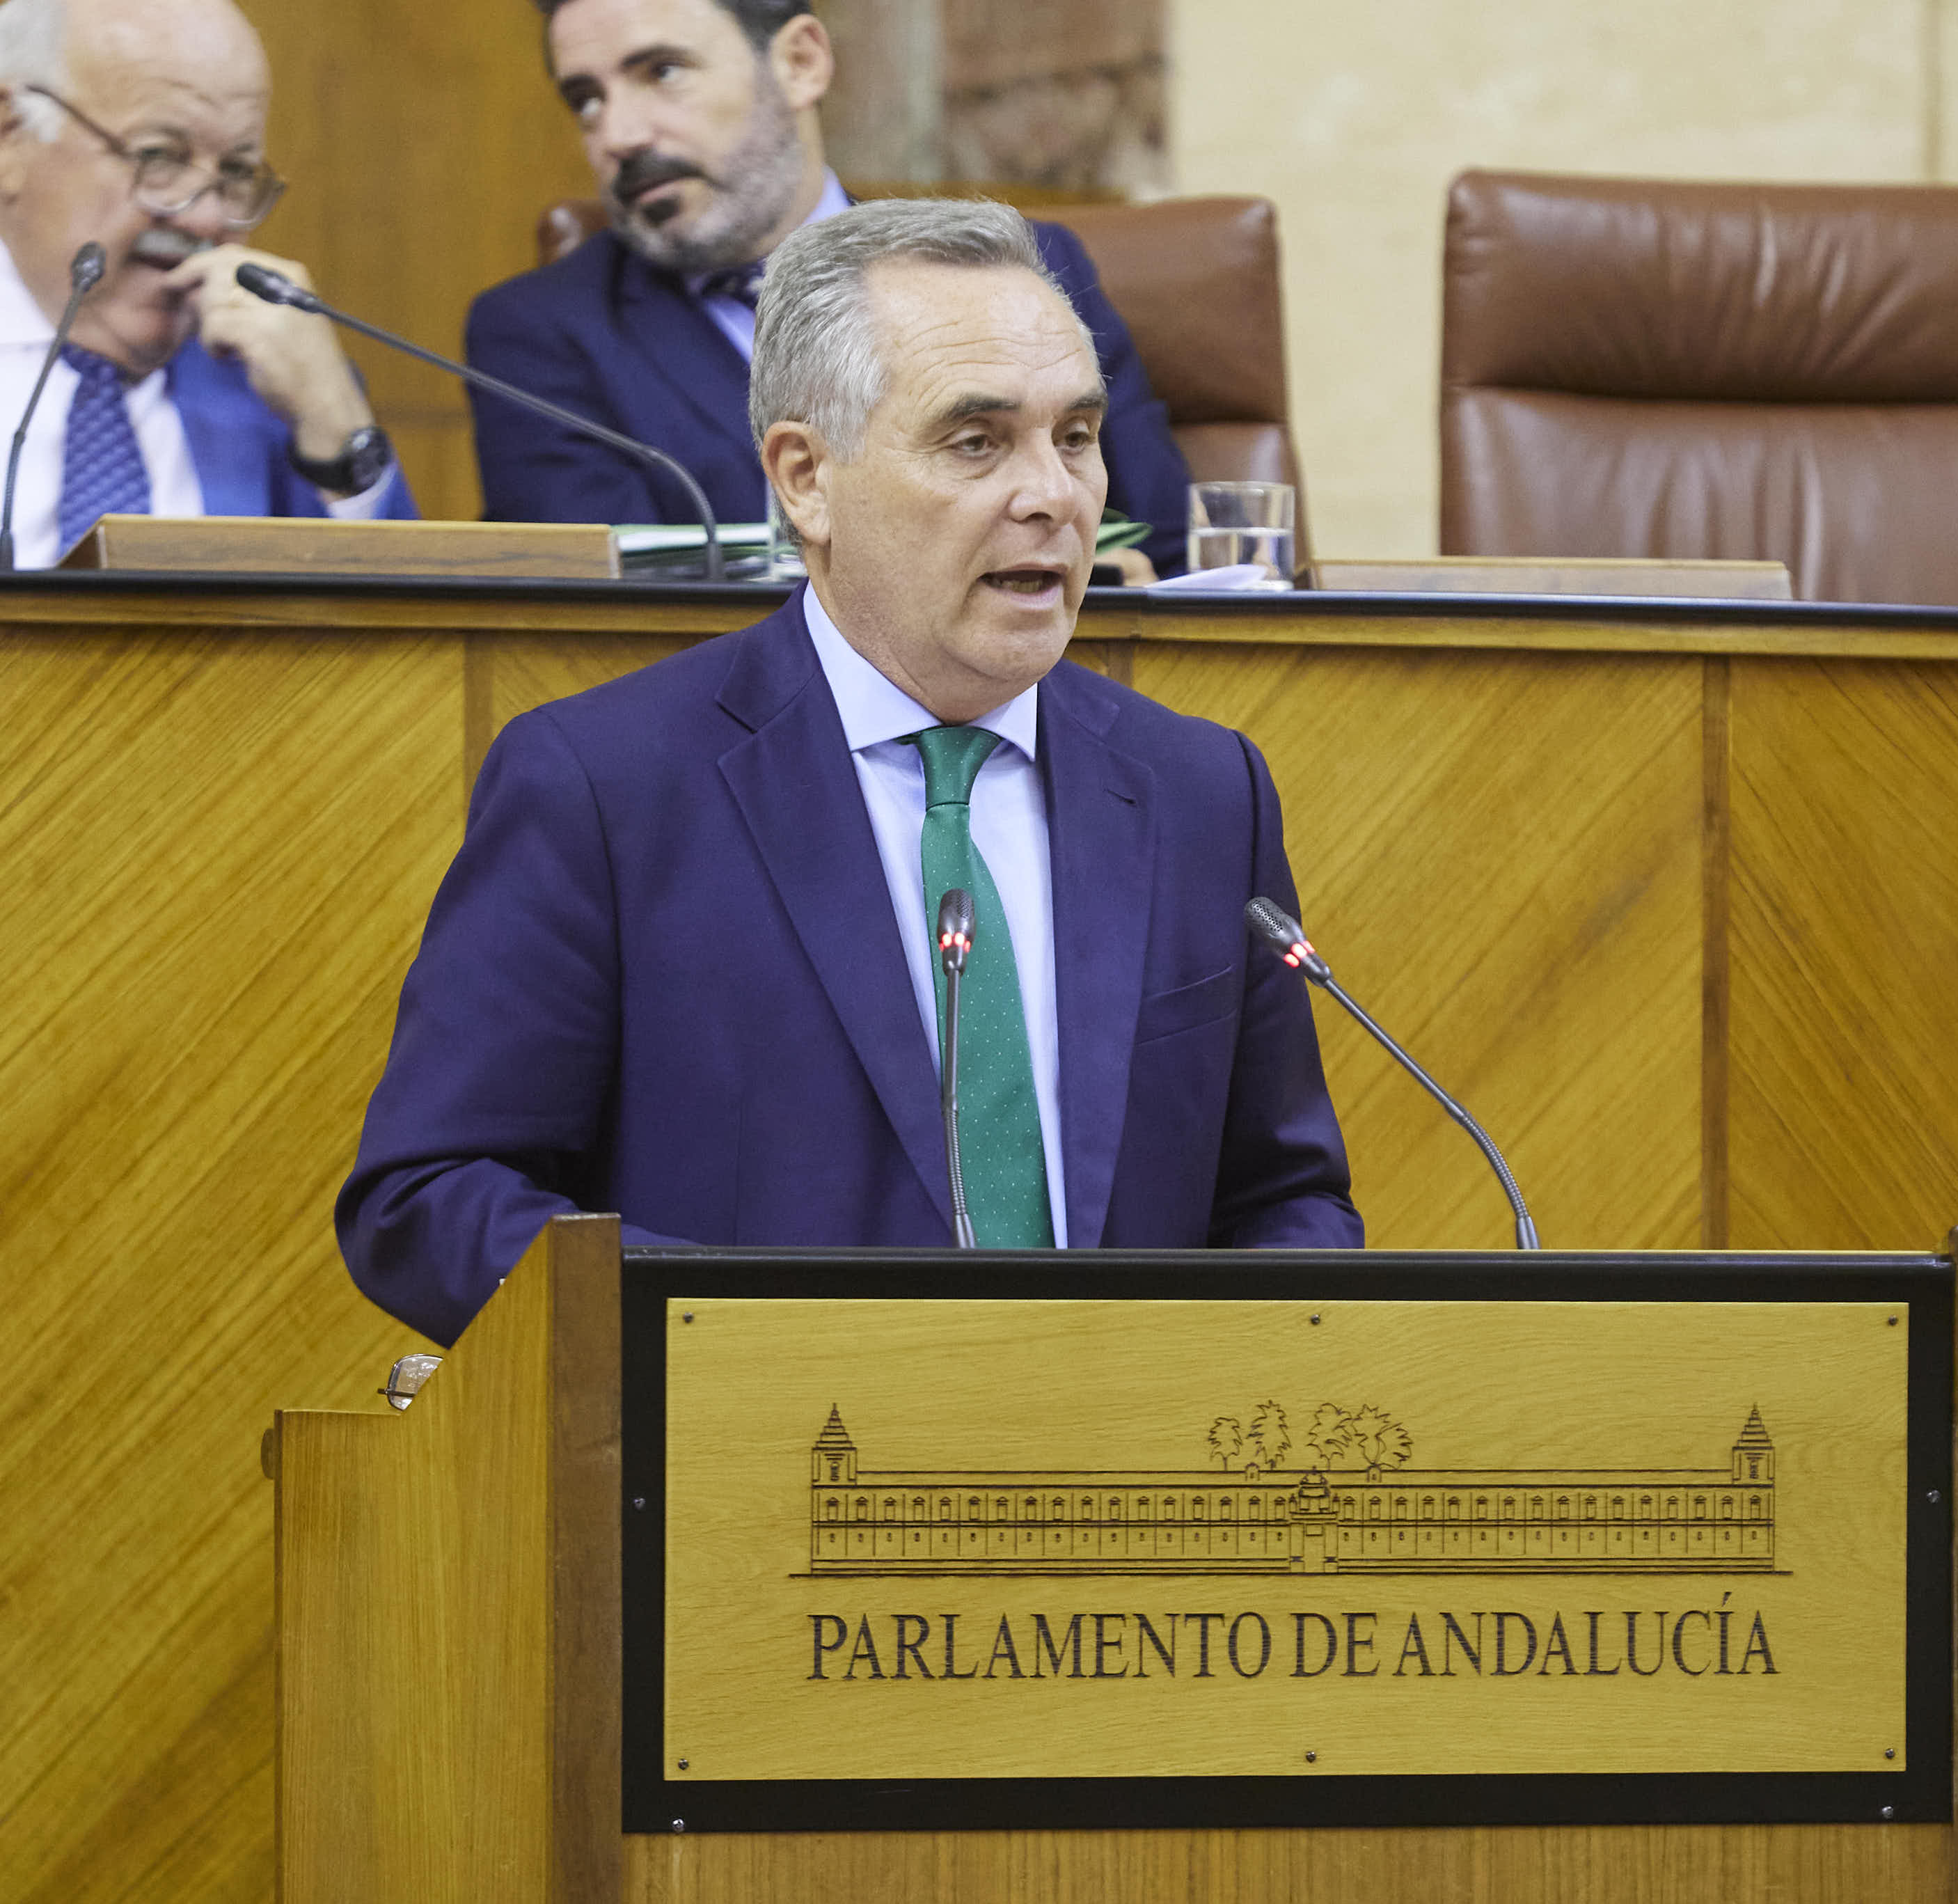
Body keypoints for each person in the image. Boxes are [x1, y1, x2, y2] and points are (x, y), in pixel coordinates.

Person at [342, 198, 1359, 1348]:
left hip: (1113, 1488)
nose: (1055, 498)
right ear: (804, 479)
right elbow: (427, 1202)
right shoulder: (606, 788)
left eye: (1074, 437)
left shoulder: (1200, 791)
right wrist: (734, 1342)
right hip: (751, 1484)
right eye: (976, 443)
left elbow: (1285, 1200)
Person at [464, 0, 1191, 575]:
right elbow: (600, 622)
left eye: (661, 72)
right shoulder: (538, 333)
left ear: (800, 62)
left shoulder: (1017, 272)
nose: (618, 134)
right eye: (586, 99)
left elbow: (1164, 550)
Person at [0, 0, 411, 567]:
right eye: (160, 157)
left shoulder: (272, 386)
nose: (206, 220)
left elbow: (407, 644)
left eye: (237, 173)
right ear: (10, 136)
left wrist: (340, 431)